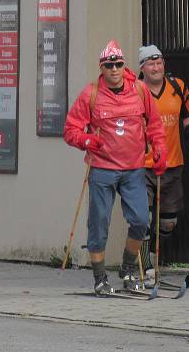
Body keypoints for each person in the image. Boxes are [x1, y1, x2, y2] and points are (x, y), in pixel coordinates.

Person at [64, 41, 167, 295]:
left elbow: (154, 124)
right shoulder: (91, 94)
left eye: (118, 64)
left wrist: (159, 149)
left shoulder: (140, 91)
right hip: (103, 168)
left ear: (124, 66)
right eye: (108, 65)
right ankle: (100, 277)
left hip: (134, 168)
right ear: (102, 67)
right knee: (99, 224)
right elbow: (70, 130)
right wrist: (86, 140)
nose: (114, 69)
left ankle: (128, 268)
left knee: (141, 220)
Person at [137, 45, 189, 279]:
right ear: (142, 68)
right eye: (151, 64)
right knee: (144, 217)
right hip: (143, 164)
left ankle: (152, 253)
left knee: (168, 222)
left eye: (159, 63)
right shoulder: (135, 91)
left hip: (173, 163)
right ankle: (145, 264)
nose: (156, 67)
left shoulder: (177, 87)